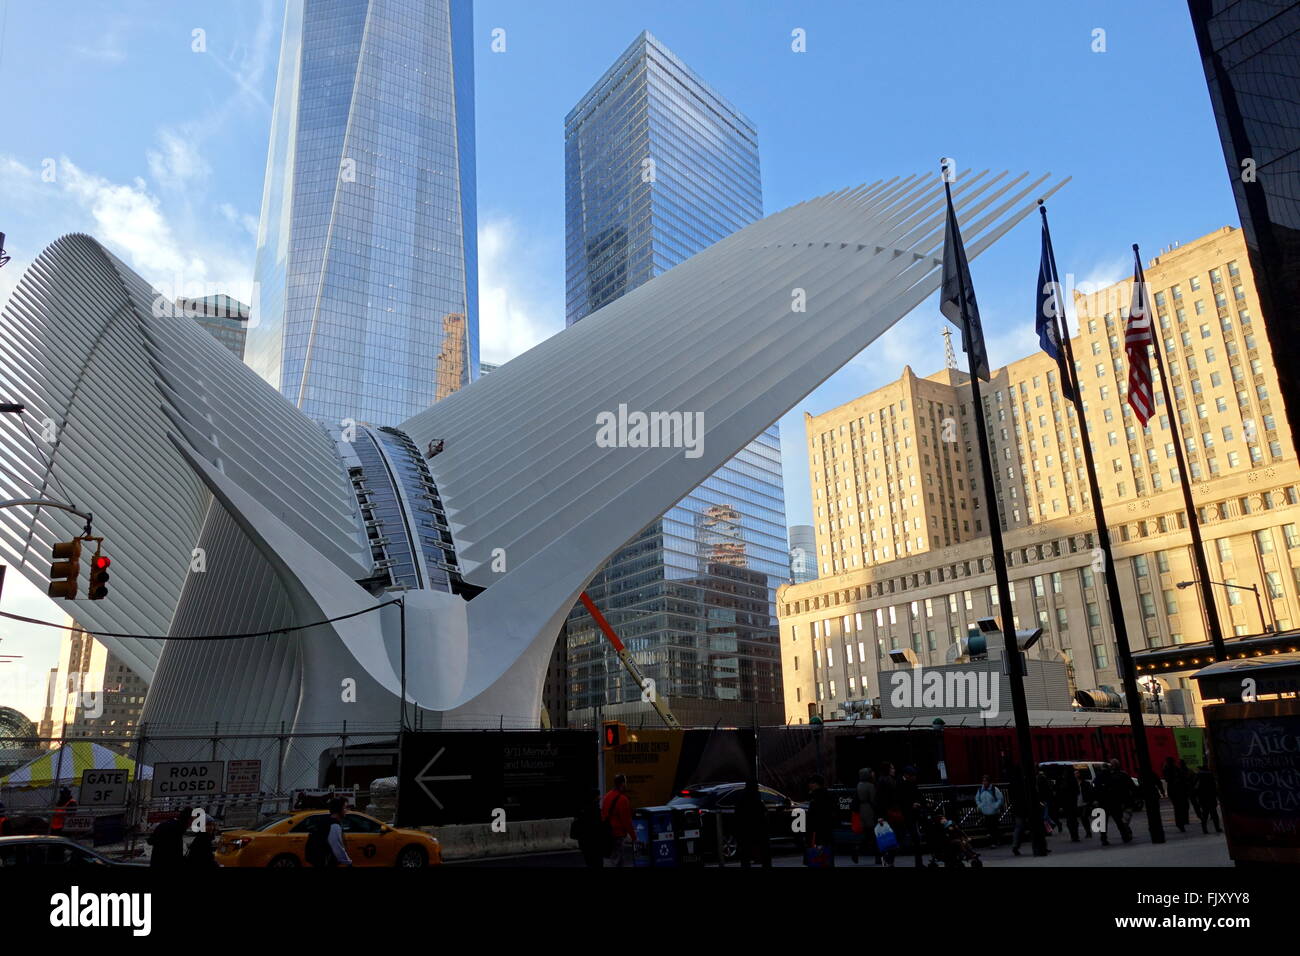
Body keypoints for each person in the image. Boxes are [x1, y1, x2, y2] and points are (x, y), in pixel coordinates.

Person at [1096, 760, 1135, 846]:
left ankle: (1104, 839)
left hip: (1103, 802)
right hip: (1113, 802)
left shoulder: (1098, 777)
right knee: (1118, 820)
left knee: (1103, 822)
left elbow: (1095, 789)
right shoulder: (1113, 776)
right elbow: (1118, 789)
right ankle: (1125, 836)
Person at [734, 779, 771, 868]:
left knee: (745, 853)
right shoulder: (756, 796)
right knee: (764, 851)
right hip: (758, 827)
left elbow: (738, 812)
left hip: (745, 828)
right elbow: (762, 811)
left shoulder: (742, 796)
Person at [600, 774, 634, 867]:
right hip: (618, 834)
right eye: (625, 782)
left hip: (607, 833)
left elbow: (603, 813)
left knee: (611, 859)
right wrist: (634, 837)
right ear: (622, 783)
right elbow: (626, 821)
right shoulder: (623, 799)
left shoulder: (607, 796)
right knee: (617, 860)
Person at [896, 766, 926, 867]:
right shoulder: (899, 783)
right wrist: (911, 804)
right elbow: (899, 799)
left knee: (915, 838)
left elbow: (918, 795)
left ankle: (919, 862)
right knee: (906, 837)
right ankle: (889, 858)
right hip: (905, 814)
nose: (915, 778)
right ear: (907, 775)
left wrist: (918, 802)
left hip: (913, 813)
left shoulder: (911, 782)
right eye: (913, 776)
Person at [804, 774, 836, 867]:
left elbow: (813, 815)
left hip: (817, 830)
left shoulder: (815, 796)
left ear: (815, 784)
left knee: (817, 854)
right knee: (827, 852)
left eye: (810, 783)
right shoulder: (828, 795)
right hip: (827, 829)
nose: (809, 785)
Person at [569, 789, 605, 868]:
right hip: (595, 845)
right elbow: (600, 829)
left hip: (585, 844)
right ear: (595, 797)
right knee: (598, 863)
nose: (600, 798)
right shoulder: (597, 811)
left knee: (589, 863)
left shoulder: (582, 810)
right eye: (598, 796)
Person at [854, 767, 879, 864]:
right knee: (873, 834)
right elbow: (873, 800)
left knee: (868, 834)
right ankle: (876, 856)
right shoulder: (870, 786)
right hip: (869, 810)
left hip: (862, 810)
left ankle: (858, 850)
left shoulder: (859, 785)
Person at [975, 774, 1005, 846]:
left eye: (985, 781)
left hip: (994, 812)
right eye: (983, 781)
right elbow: (977, 799)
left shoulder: (994, 789)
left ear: (989, 782)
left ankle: (995, 841)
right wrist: (980, 806)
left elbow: (1000, 799)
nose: (984, 783)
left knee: (994, 827)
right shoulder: (980, 790)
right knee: (989, 827)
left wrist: (995, 806)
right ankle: (994, 841)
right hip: (985, 811)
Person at [1164, 757, 1191, 833]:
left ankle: (1181, 822)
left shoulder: (1172, 769)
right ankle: (1181, 822)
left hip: (1177, 790)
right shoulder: (1172, 769)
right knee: (1180, 807)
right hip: (1177, 791)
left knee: (1180, 807)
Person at [1055, 768, 1082, 842]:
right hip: (1073, 803)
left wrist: (1060, 805)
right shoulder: (1073, 781)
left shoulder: (1063, 782)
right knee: (1074, 820)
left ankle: (1073, 835)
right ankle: (1075, 835)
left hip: (1066, 804)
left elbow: (1060, 794)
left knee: (1069, 820)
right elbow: (1077, 792)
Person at [1194, 765, 1222, 834]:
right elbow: (1215, 786)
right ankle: (1217, 828)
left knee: (1205, 813)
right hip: (1211, 796)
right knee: (1214, 813)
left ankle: (1204, 829)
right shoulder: (1211, 775)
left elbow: (1195, 787)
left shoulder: (1198, 776)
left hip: (1203, 797)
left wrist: (1197, 796)